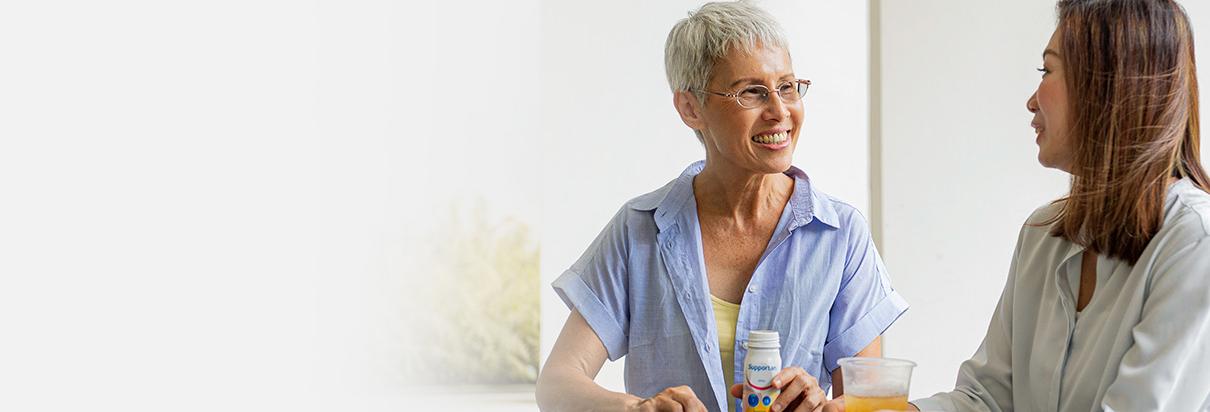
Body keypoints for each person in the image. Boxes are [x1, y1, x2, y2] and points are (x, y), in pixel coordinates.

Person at [830, 0, 1210, 411]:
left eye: (1047, 71)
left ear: (1107, 83)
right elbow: (988, 397)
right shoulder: (1042, 234)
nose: (1032, 100)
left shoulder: (1194, 241)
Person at [534, 2, 909, 412]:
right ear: (691, 108)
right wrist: (636, 409)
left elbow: (868, 404)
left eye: (787, 87)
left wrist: (822, 405)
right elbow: (556, 384)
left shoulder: (840, 234)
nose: (780, 112)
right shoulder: (638, 232)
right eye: (752, 91)